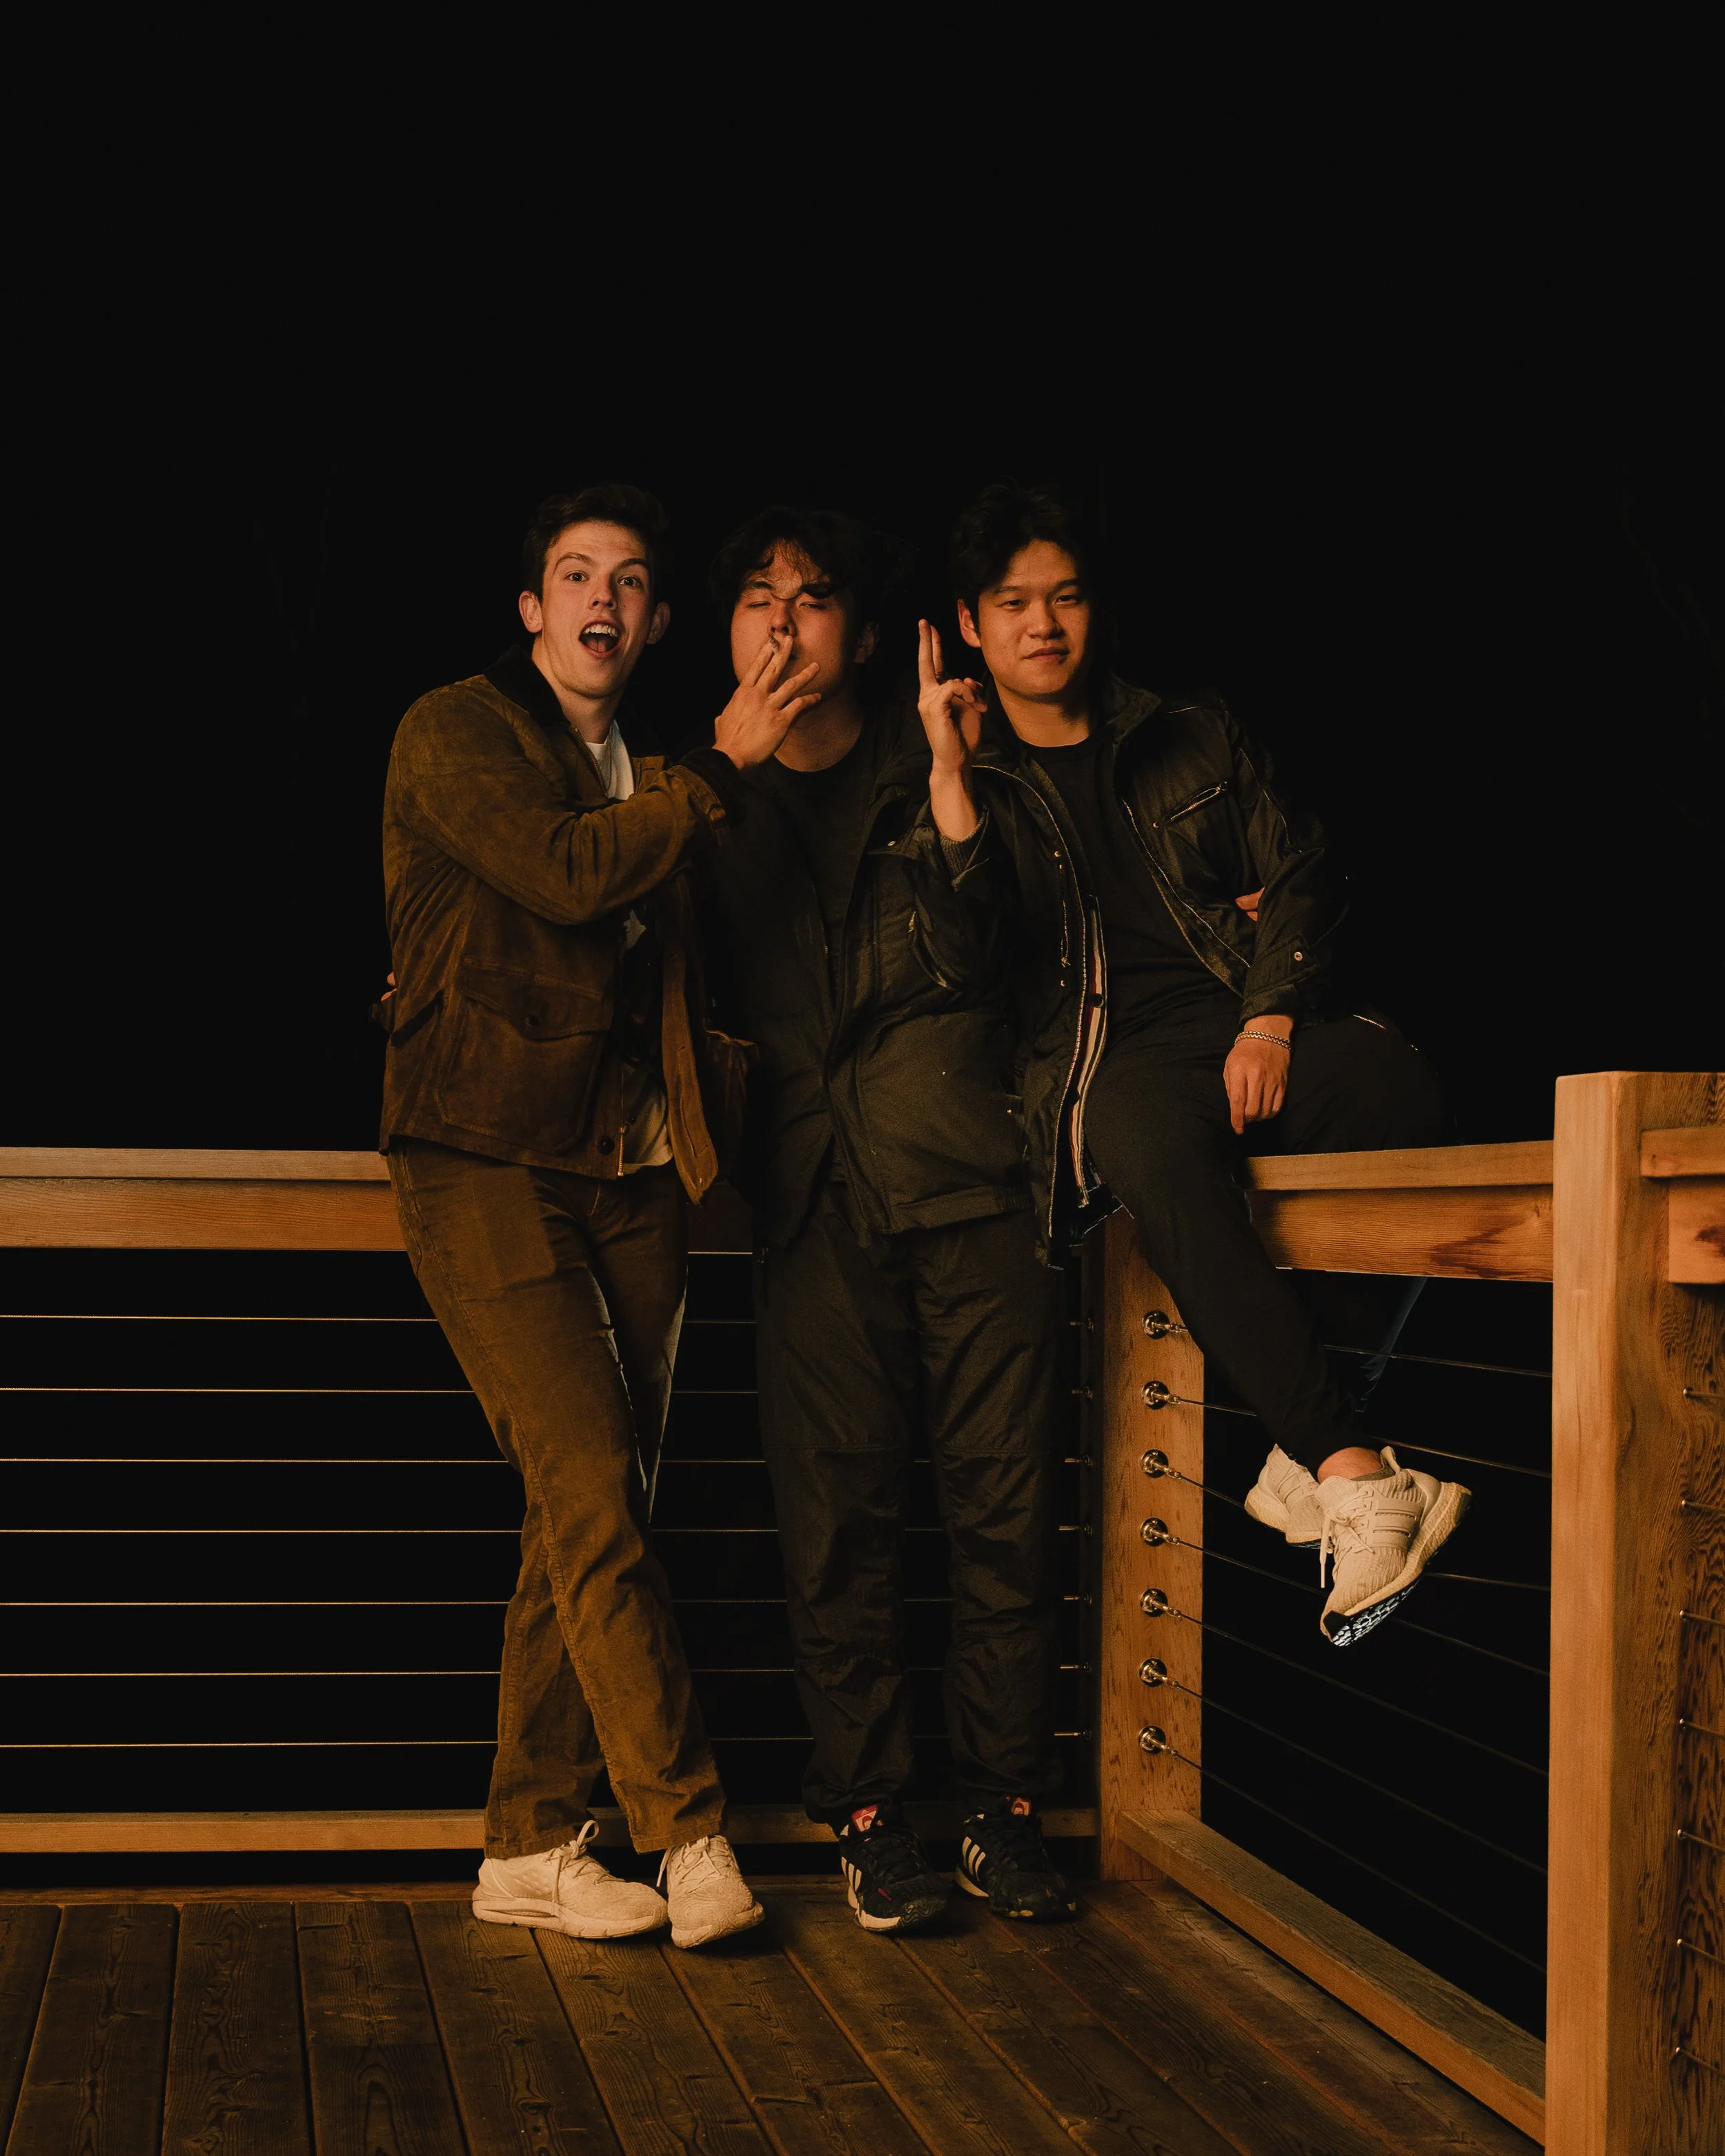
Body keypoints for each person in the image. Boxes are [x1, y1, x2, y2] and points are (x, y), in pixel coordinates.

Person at [379, 482, 820, 1946]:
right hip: (483, 1151)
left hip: (634, 1170)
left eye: (631, 583)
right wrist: (715, 774)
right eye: (576, 575)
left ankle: (526, 1843)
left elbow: (692, 971)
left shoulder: (641, 757)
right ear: (529, 607)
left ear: (653, 620)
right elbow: (566, 881)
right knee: (584, 1475)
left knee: (593, 1499)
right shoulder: (455, 730)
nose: (602, 602)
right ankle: (685, 1828)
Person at [927, 482, 1469, 1648]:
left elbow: (1308, 872)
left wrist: (1270, 1020)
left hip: (1245, 1025)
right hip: (1110, 1068)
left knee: (1404, 1091)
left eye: (1064, 596)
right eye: (1013, 603)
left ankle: (1296, 1443)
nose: (1043, 625)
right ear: (970, 625)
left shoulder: (1190, 730)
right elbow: (968, 968)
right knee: (1148, 1149)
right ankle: (1357, 1475)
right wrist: (950, 786)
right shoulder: (970, 782)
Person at [699, 506, 1078, 1932]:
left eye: (811, 597)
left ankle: (998, 1803)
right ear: (726, 629)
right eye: (755, 596)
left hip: (967, 1172)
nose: (784, 621)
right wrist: (710, 772)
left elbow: (996, 951)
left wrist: (947, 771)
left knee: (1001, 1504)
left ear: (860, 628)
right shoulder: (698, 795)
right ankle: (866, 1811)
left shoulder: (936, 752)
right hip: (803, 1192)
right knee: (834, 1519)